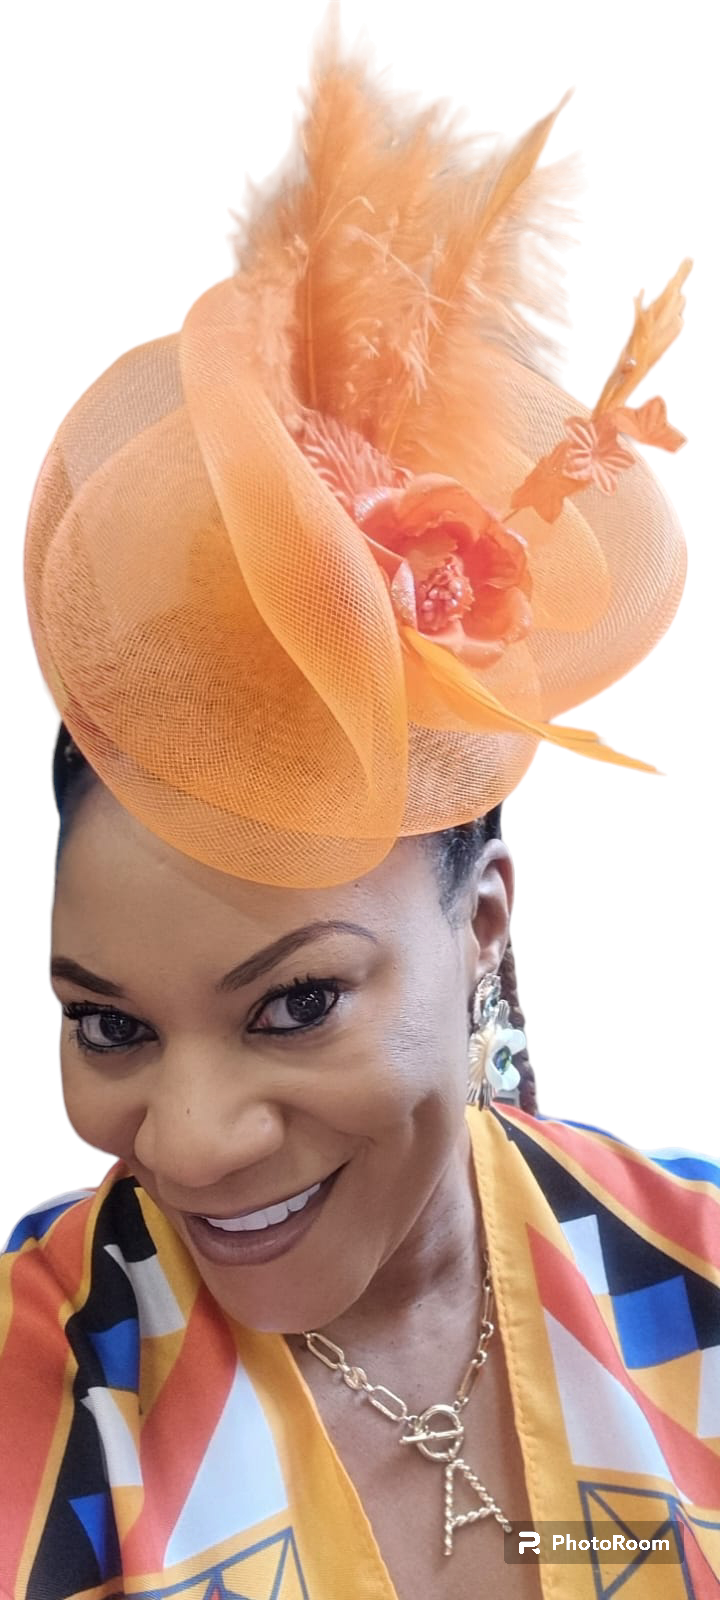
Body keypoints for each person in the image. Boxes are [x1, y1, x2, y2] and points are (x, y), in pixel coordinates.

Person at [2, 27, 718, 1600]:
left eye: (295, 1002)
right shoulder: (33, 1398)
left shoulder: (701, 1283)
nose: (190, 1140)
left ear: (483, 926)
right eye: (109, 1026)